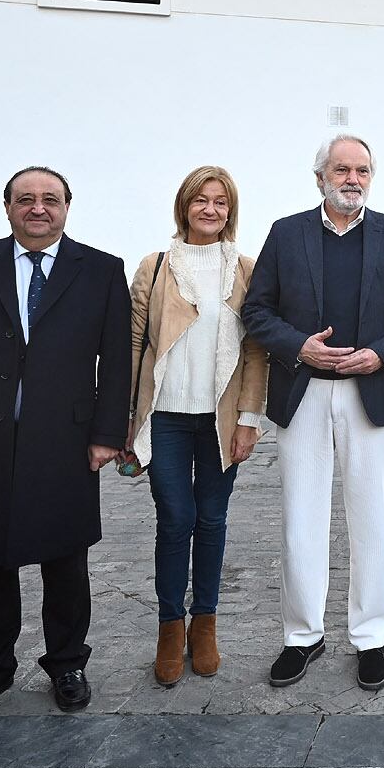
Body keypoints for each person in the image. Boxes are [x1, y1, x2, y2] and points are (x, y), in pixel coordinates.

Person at [0, 166, 131, 724]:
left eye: (50, 199)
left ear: (67, 206)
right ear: (6, 206)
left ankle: (66, 664)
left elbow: (117, 359)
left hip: (65, 439)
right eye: (26, 199)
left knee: (65, 559)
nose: (39, 208)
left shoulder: (102, 271)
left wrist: (108, 434)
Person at [241, 134, 384, 693]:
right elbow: (257, 309)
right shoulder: (285, 233)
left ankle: (370, 636)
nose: (353, 179)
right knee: (302, 516)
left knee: (371, 518)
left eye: (362, 171)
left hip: (370, 392)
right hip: (304, 391)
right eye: (342, 169)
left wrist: (383, 352)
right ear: (320, 176)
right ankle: (303, 635)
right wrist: (300, 346)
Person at [127, 166, 269, 686]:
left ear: (230, 211)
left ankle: (205, 624)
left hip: (220, 419)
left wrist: (249, 419)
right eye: (201, 200)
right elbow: (133, 344)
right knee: (175, 517)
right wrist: (126, 420)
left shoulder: (247, 270)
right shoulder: (156, 266)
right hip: (164, 416)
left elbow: (256, 350)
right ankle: (170, 626)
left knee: (211, 519)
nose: (210, 210)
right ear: (184, 205)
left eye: (221, 202)